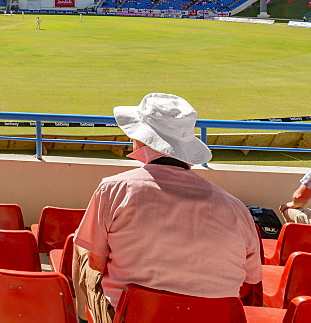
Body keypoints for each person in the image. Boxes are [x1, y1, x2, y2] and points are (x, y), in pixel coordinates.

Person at [72, 93, 261, 323]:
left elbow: (96, 263)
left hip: (131, 316)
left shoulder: (114, 189)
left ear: (140, 139)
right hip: (211, 317)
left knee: (79, 245)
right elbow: (249, 281)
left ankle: (83, 318)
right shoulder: (236, 208)